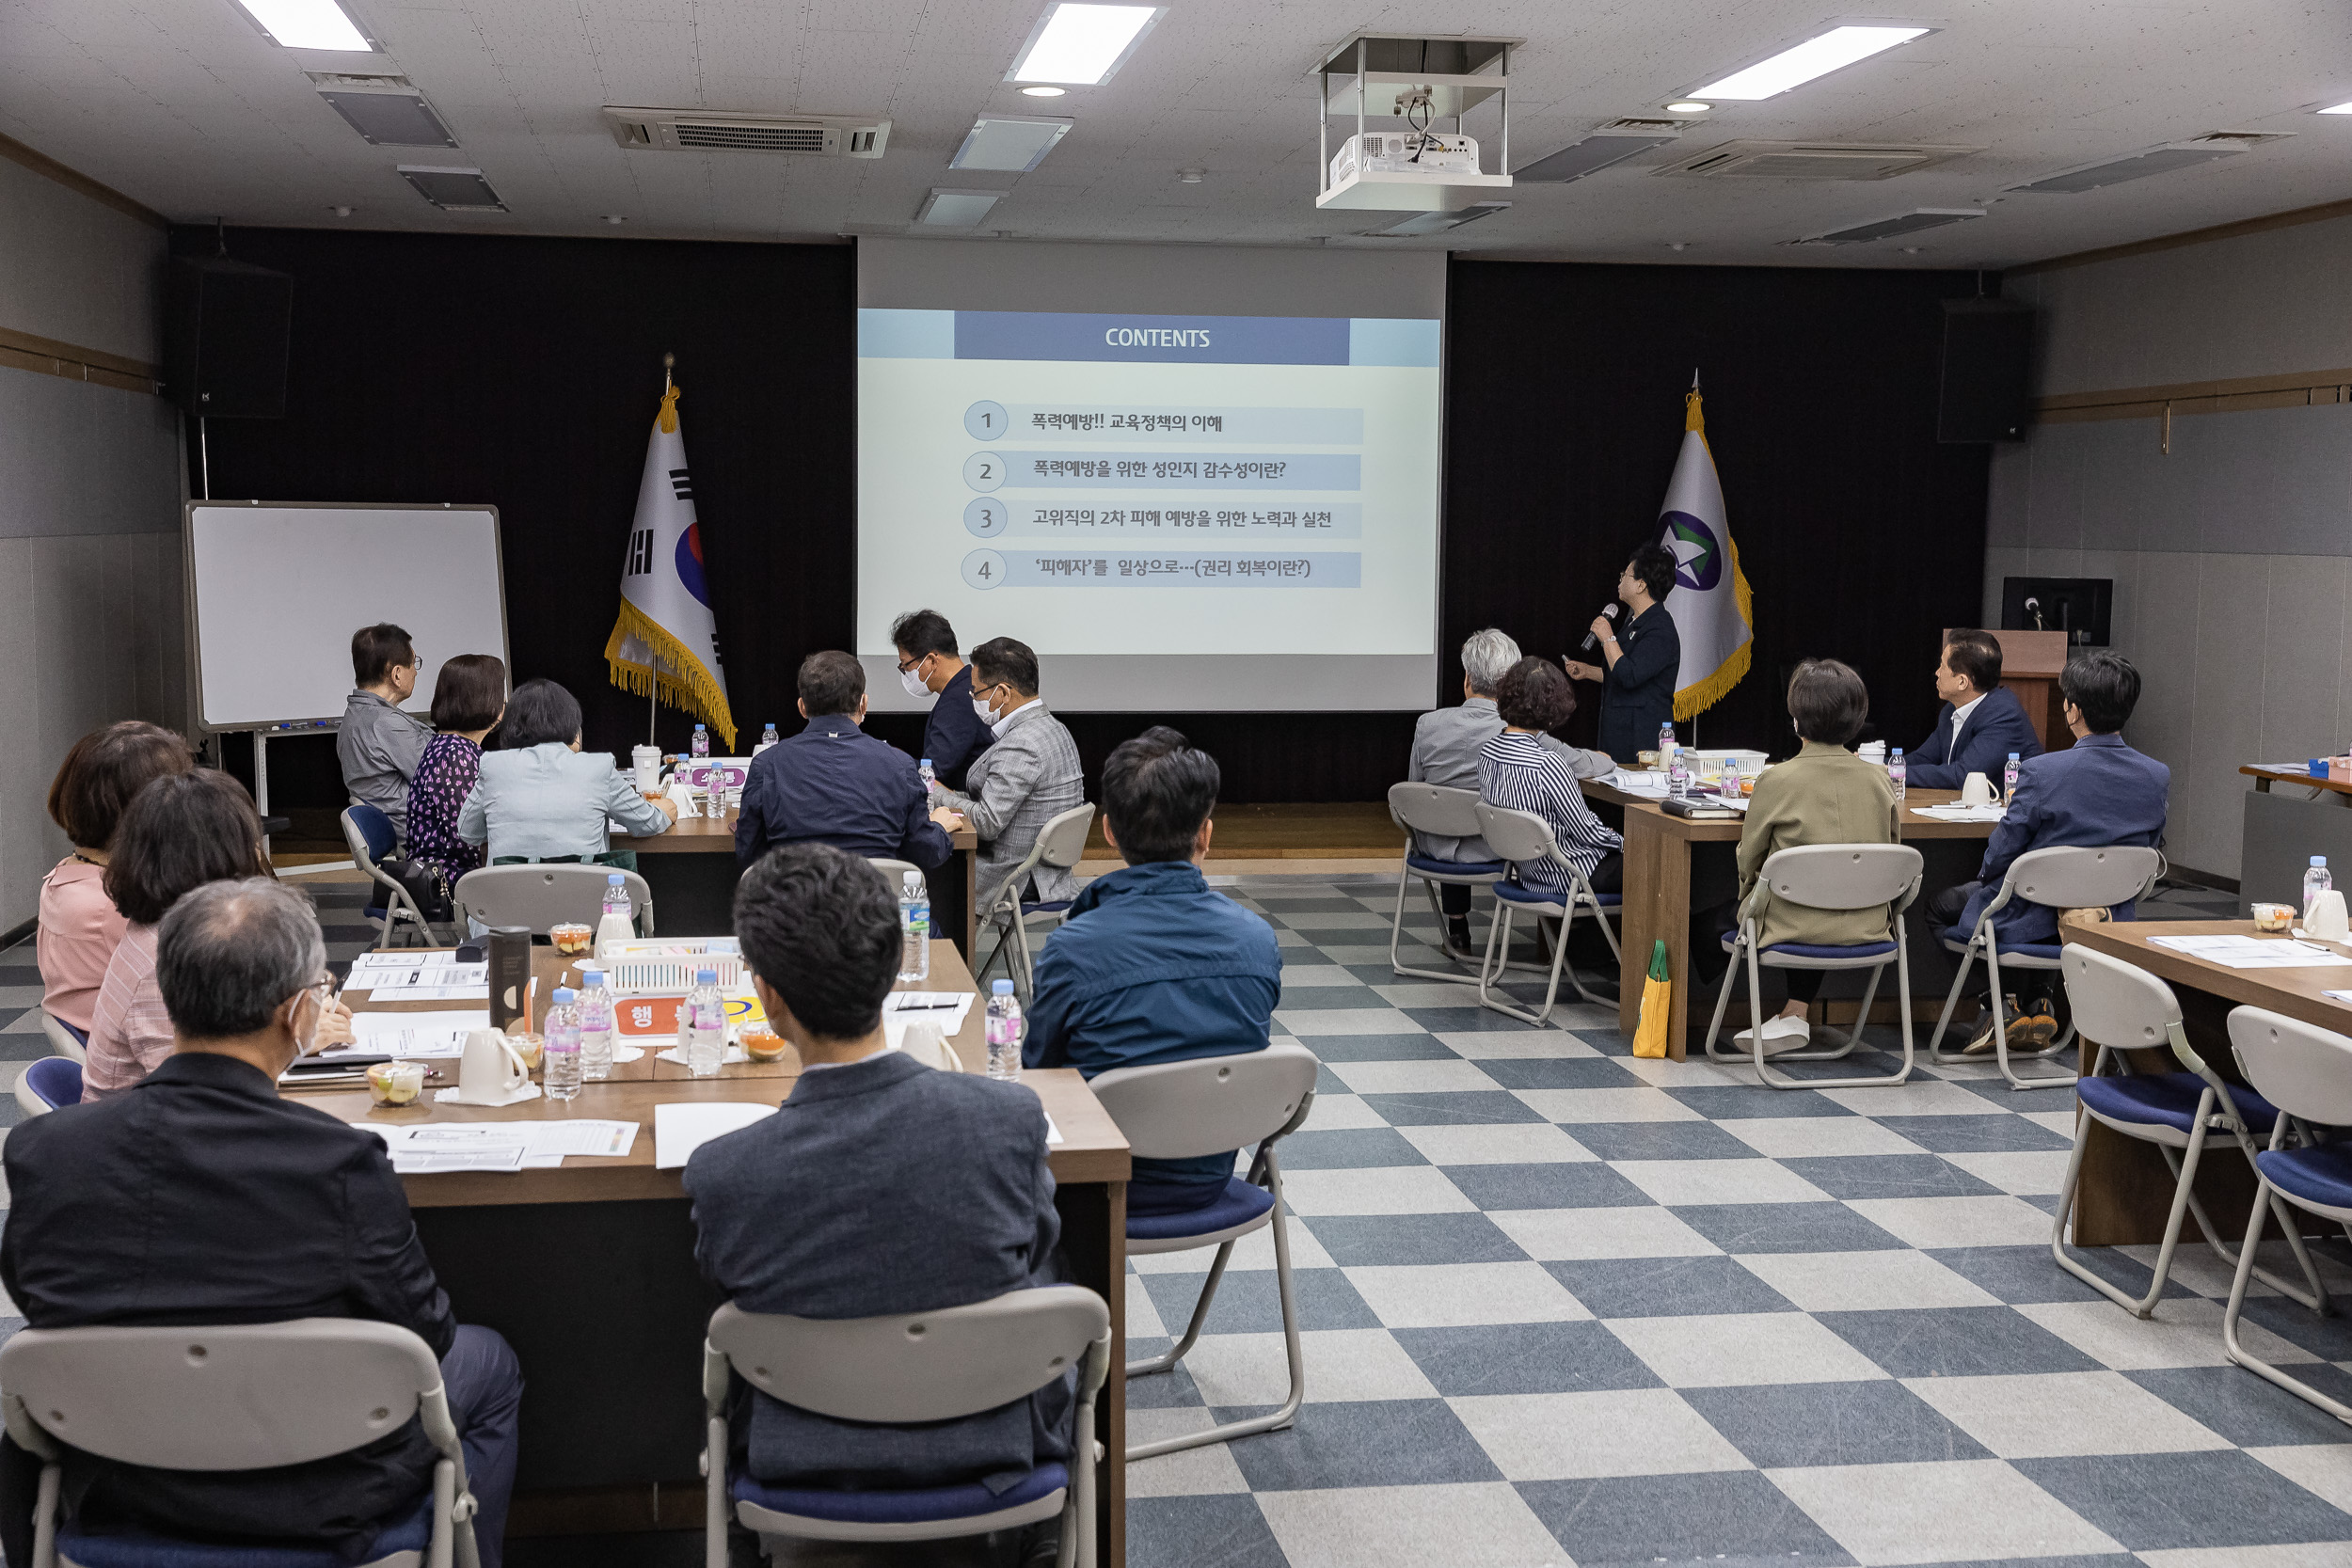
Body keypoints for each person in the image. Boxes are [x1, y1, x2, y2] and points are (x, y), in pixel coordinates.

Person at [0, 879, 522, 1568]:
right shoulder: (339, 1160)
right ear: (300, 1011)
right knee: (487, 1360)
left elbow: (43, 1309)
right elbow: (426, 1331)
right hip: (323, 1489)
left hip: (115, 1478)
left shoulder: (45, 1152)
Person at [685, 844, 1069, 1560]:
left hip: (800, 1458)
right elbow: (1038, 1247)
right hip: (993, 1445)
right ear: (896, 966)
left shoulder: (725, 1173)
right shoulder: (1008, 1123)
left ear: (766, 995)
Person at [1025, 728, 1282, 1216]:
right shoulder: (1257, 939)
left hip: (1089, 1187)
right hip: (1212, 1182)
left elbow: (1039, 1071)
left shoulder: (1073, 950)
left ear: (1108, 831)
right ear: (1205, 834)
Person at [1929, 649, 2167, 1053]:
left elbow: (2001, 854)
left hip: (2030, 914)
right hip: (2108, 913)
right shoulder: (2157, 775)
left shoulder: (2041, 773)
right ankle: (2042, 999)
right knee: (2038, 894)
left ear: (2071, 710)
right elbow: (2152, 847)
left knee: (1941, 906)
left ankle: (1997, 1007)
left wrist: (1989, 878)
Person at [85, 770, 352, 1102]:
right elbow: (202, 1099)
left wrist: (300, 1008)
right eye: (250, 843)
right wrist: (300, 1043)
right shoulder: (163, 962)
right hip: (150, 1143)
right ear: (222, 856)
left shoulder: (167, 931)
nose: (257, 855)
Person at [1720, 659, 1901, 1054]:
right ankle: (1792, 1014)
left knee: (1708, 922)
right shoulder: (1880, 779)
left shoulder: (1776, 780)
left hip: (1790, 925)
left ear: (1797, 719)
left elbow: (1748, 862)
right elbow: (1893, 850)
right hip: (1869, 926)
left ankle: (1710, 1016)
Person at [1410, 628, 1614, 953]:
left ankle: (1457, 923)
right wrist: (1605, 759)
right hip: (1496, 848)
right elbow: (1581, 764)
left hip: (1431, 846)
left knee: (1447, 804)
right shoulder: (1518, 732)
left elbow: (1416, 789)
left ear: (1467, 679)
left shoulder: (1427, 725)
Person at [38, 721, 195, 1035]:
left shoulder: (66, 876)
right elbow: (194, 992)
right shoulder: (113, 905)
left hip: (115, 1044)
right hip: (145, 1058)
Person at [734, 652, 950, 874]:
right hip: (873, 904)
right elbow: (926, 852)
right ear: (863, 704)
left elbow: (748, 853)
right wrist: (940, 827)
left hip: (792, 904)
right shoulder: (900, 765)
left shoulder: (766, 764)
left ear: (802, 707)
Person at [931, 637, 1086, 923]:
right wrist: (952, 794)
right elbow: (997, 801)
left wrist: (936, 794)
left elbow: (987, 823)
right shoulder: (1055, 730)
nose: (974, 700)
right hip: (1049, 875)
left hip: (1016, 880)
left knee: (923, 870)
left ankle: (944, 965)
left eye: (976, 693)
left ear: (1002, 692)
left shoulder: (1022, 744)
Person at [457, 678, 675, 866]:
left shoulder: (492, 765)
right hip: (586, 910)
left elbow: (468, 831)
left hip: (505, 912)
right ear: (572, 725)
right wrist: (661, 810)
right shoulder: (599, 767)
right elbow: (646, 823)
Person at [1478, 657, 1626, 900]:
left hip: (1528, 873)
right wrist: (1622, 841)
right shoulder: (1549, 763)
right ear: (1551, 709)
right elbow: (1587, 833)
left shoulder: (1488, 752)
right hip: (1571, 875)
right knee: (1661, 863)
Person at [403, 653, 507, 911]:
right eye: (499, 693)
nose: (505, 701)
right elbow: (469, 836)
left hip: (454, 870)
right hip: (446, 881)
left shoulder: (456, 747)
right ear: (485, 702)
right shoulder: (454, 756)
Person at [1563, 544, 1682, 763]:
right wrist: (1588, 671)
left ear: (1641, 585)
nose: (1620, 579)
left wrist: (1608, 638)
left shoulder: (1660, 629)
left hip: (1640, 738)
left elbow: (1630, 676)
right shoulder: (1633, 623)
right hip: (1618, 733)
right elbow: (1620, 670)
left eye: (1625, 574)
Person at [1903, 627, 2042, 791]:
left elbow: (1964, 776)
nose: (1937, 673)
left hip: (2010, 812)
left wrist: (1894, 773)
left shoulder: (2003, 715)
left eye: (1942, 666)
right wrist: (1875, 767)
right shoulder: (1951, 710)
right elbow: (1923, 758)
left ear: (1962, 682)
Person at [338, 623, 434, 847]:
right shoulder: (386, 724)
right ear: (397, 674)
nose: (416, 671)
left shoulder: (353, 718)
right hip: (422, 834)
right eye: (413, 663)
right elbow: (440, 780)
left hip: (399, 831)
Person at [891, 608, 993, 794]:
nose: (905, 672)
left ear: (931, 660)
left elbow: (932, 772)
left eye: (906, 665)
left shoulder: (958, 702)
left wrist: (889, 757)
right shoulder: (967, 687)